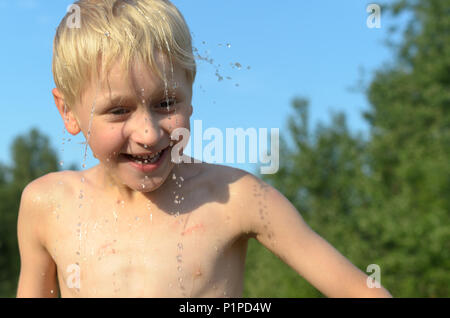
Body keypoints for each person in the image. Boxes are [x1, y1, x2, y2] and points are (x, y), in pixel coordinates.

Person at [16, 0, 392, 298]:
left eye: (166, 103)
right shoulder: (47, 206)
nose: (148, 133)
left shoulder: (236, 198)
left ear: (190, 93)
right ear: (67, 111)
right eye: (119, 111)